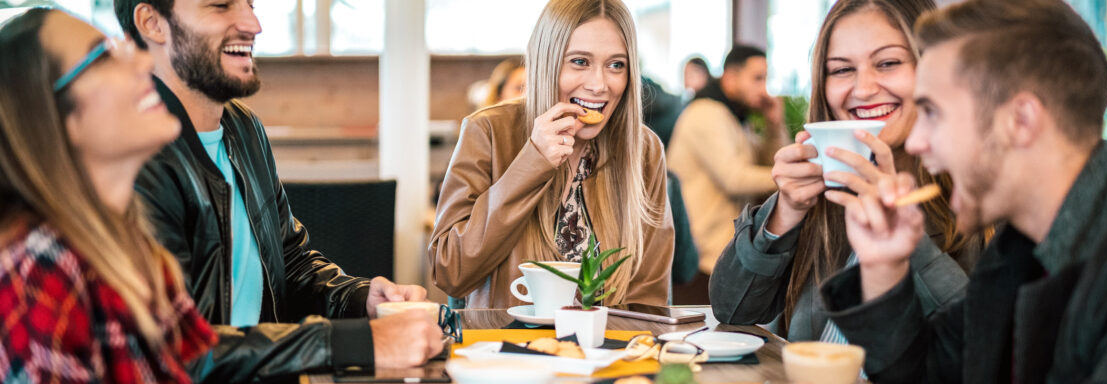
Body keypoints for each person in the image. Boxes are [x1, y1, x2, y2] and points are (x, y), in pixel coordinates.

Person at [819, 0, 1107, 382]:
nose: (917, 142)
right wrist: (884, 267)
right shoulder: (1016, 252)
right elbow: (926, 374)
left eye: (932, 112)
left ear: (1020, 121)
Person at [115, 0, 444, 380]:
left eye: (251, 5)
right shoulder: (130, 157)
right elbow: (171, 349)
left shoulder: (243, 127)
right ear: (152, 23)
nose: (253, 24)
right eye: (221, 6)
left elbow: (289, 263)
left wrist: (360, 298)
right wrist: (360, 342)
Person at [709, 0, 978, 345]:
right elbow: (732, 310)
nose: (863, 89)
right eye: (841, 70)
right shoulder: (821, 196)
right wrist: (784, 213)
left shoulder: (978, 197)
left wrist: (908, 242)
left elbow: (981, 348)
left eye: (888, 63)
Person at [0, 8, 215, 382]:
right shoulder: (38, 273)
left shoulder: (138, 255)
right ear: (51, 118)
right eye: (103, 55)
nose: (145, 61)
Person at [431, 0, 674, 309]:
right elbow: (450, 272)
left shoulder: (643, 149)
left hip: (607, 351)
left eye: (616, 65)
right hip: (507, 348)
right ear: (547, 61)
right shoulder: (489, 131)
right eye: (580, 62)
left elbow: (649, 299)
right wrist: (532, 163)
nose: (599, 85)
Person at [667, 45, 788, 302]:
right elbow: (735, 178)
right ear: (731, 78)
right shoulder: (706, 114)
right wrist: (792, 177)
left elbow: (770, 161)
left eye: (766, 79)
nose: (764, 89)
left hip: (720, 258)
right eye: (757, 78)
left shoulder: (733, 118)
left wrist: (774, 125)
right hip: (699, 263)